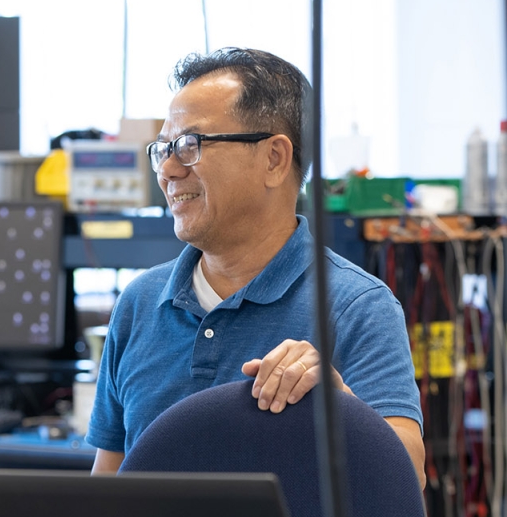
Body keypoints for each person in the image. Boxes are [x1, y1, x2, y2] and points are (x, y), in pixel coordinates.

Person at [87, 48, 425, 485]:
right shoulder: (139, 303)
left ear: (274, 159)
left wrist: (339, 403)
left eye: (190, 145)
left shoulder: (354, 306)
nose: (167, 170)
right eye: (163, 149)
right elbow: (107, 485)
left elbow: (407, 475)